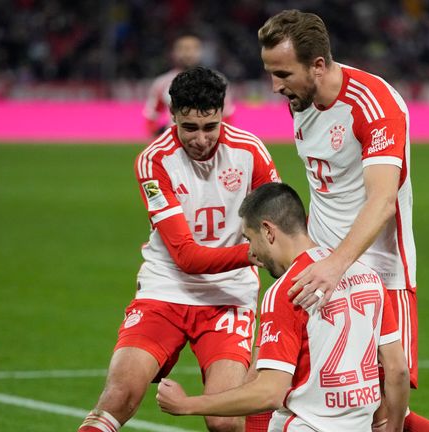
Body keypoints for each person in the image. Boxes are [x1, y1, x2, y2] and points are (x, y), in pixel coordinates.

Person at [255, 9, 429, 431]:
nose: (275, 85)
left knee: (381, 412)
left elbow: (382, 201)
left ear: (318, 65)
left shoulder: (374, 105)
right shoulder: (299, 101)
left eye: (283, 73)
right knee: (285, 390)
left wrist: (334, 266)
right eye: (270, 72)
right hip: (321, 268)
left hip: (377, 274)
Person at [78, 66, 279, 432]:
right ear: (173, 118)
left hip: (228, 296)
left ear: (223, 116)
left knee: (224, 420)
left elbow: (277, 222)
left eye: (210, 127)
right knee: (118, 398)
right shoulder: (154, 161)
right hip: (165, 289)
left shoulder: (250, 152)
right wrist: (254, 255)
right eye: (189, 128)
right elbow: (186, 258)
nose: (201, 139)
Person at [156, 182, 411, 432]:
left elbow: (270, 392)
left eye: (249, 238)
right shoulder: (367, 277)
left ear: (268, 231)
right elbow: (397, 370)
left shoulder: (287, 290)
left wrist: (187, 404)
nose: (252, 252)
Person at [143, 33, 235, 138]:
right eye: (182, 48)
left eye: (193, 48)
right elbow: (151, 114)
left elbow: (227, 114)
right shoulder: (162, 83)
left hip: (208, 142)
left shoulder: (217, 80)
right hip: (176, 143)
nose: (188, 53)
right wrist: (159, 137)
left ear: (201, 51)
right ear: (174, 53)